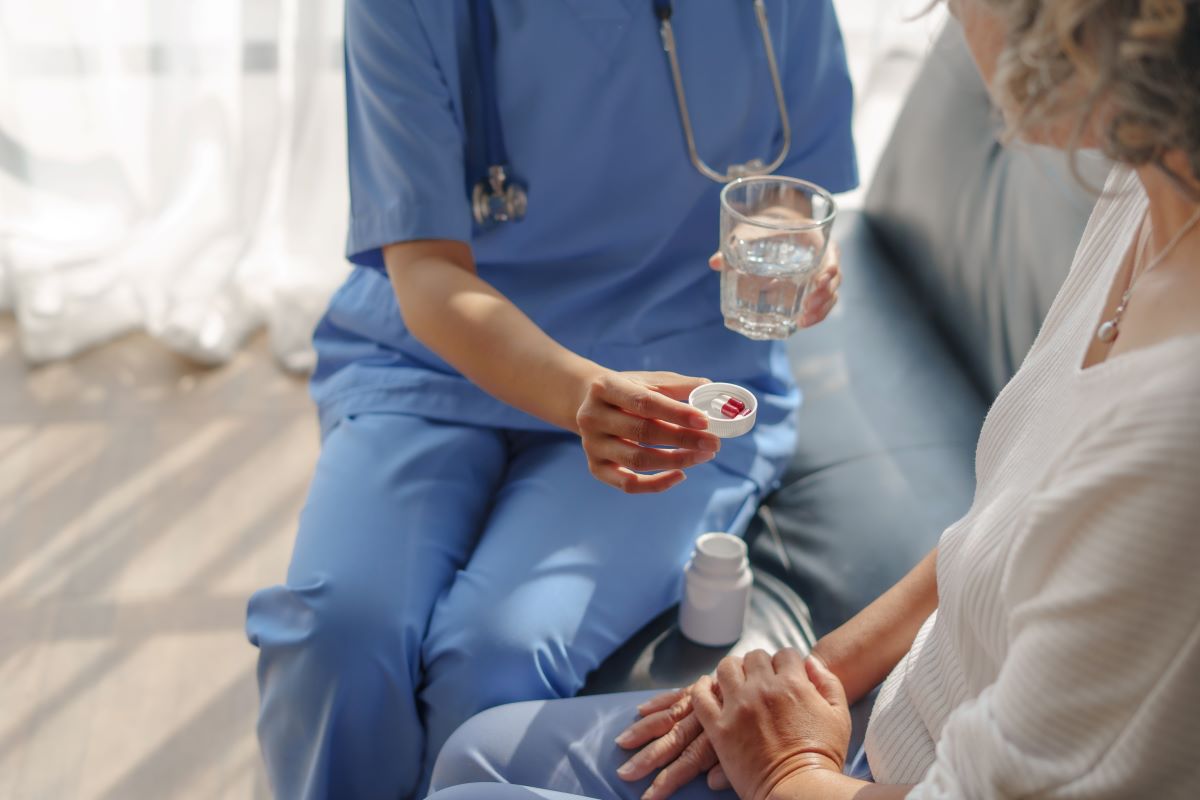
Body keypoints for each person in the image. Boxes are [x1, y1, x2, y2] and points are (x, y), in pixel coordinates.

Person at [425, 0, 1200, 797]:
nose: (953, 17)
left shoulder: (1171, 440)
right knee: (474, 754)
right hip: (885, 726)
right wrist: (809, 673)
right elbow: (1002, 532)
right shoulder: (1141, 198)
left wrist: (786, 763)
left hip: (874, 775)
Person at [243, 1, 858, 798]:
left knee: (497, 657)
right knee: (338, 636)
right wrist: (579, 393)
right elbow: (425, 269)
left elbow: (786, 184)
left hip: (671, 379)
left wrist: (798, 254)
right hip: (437, 362)